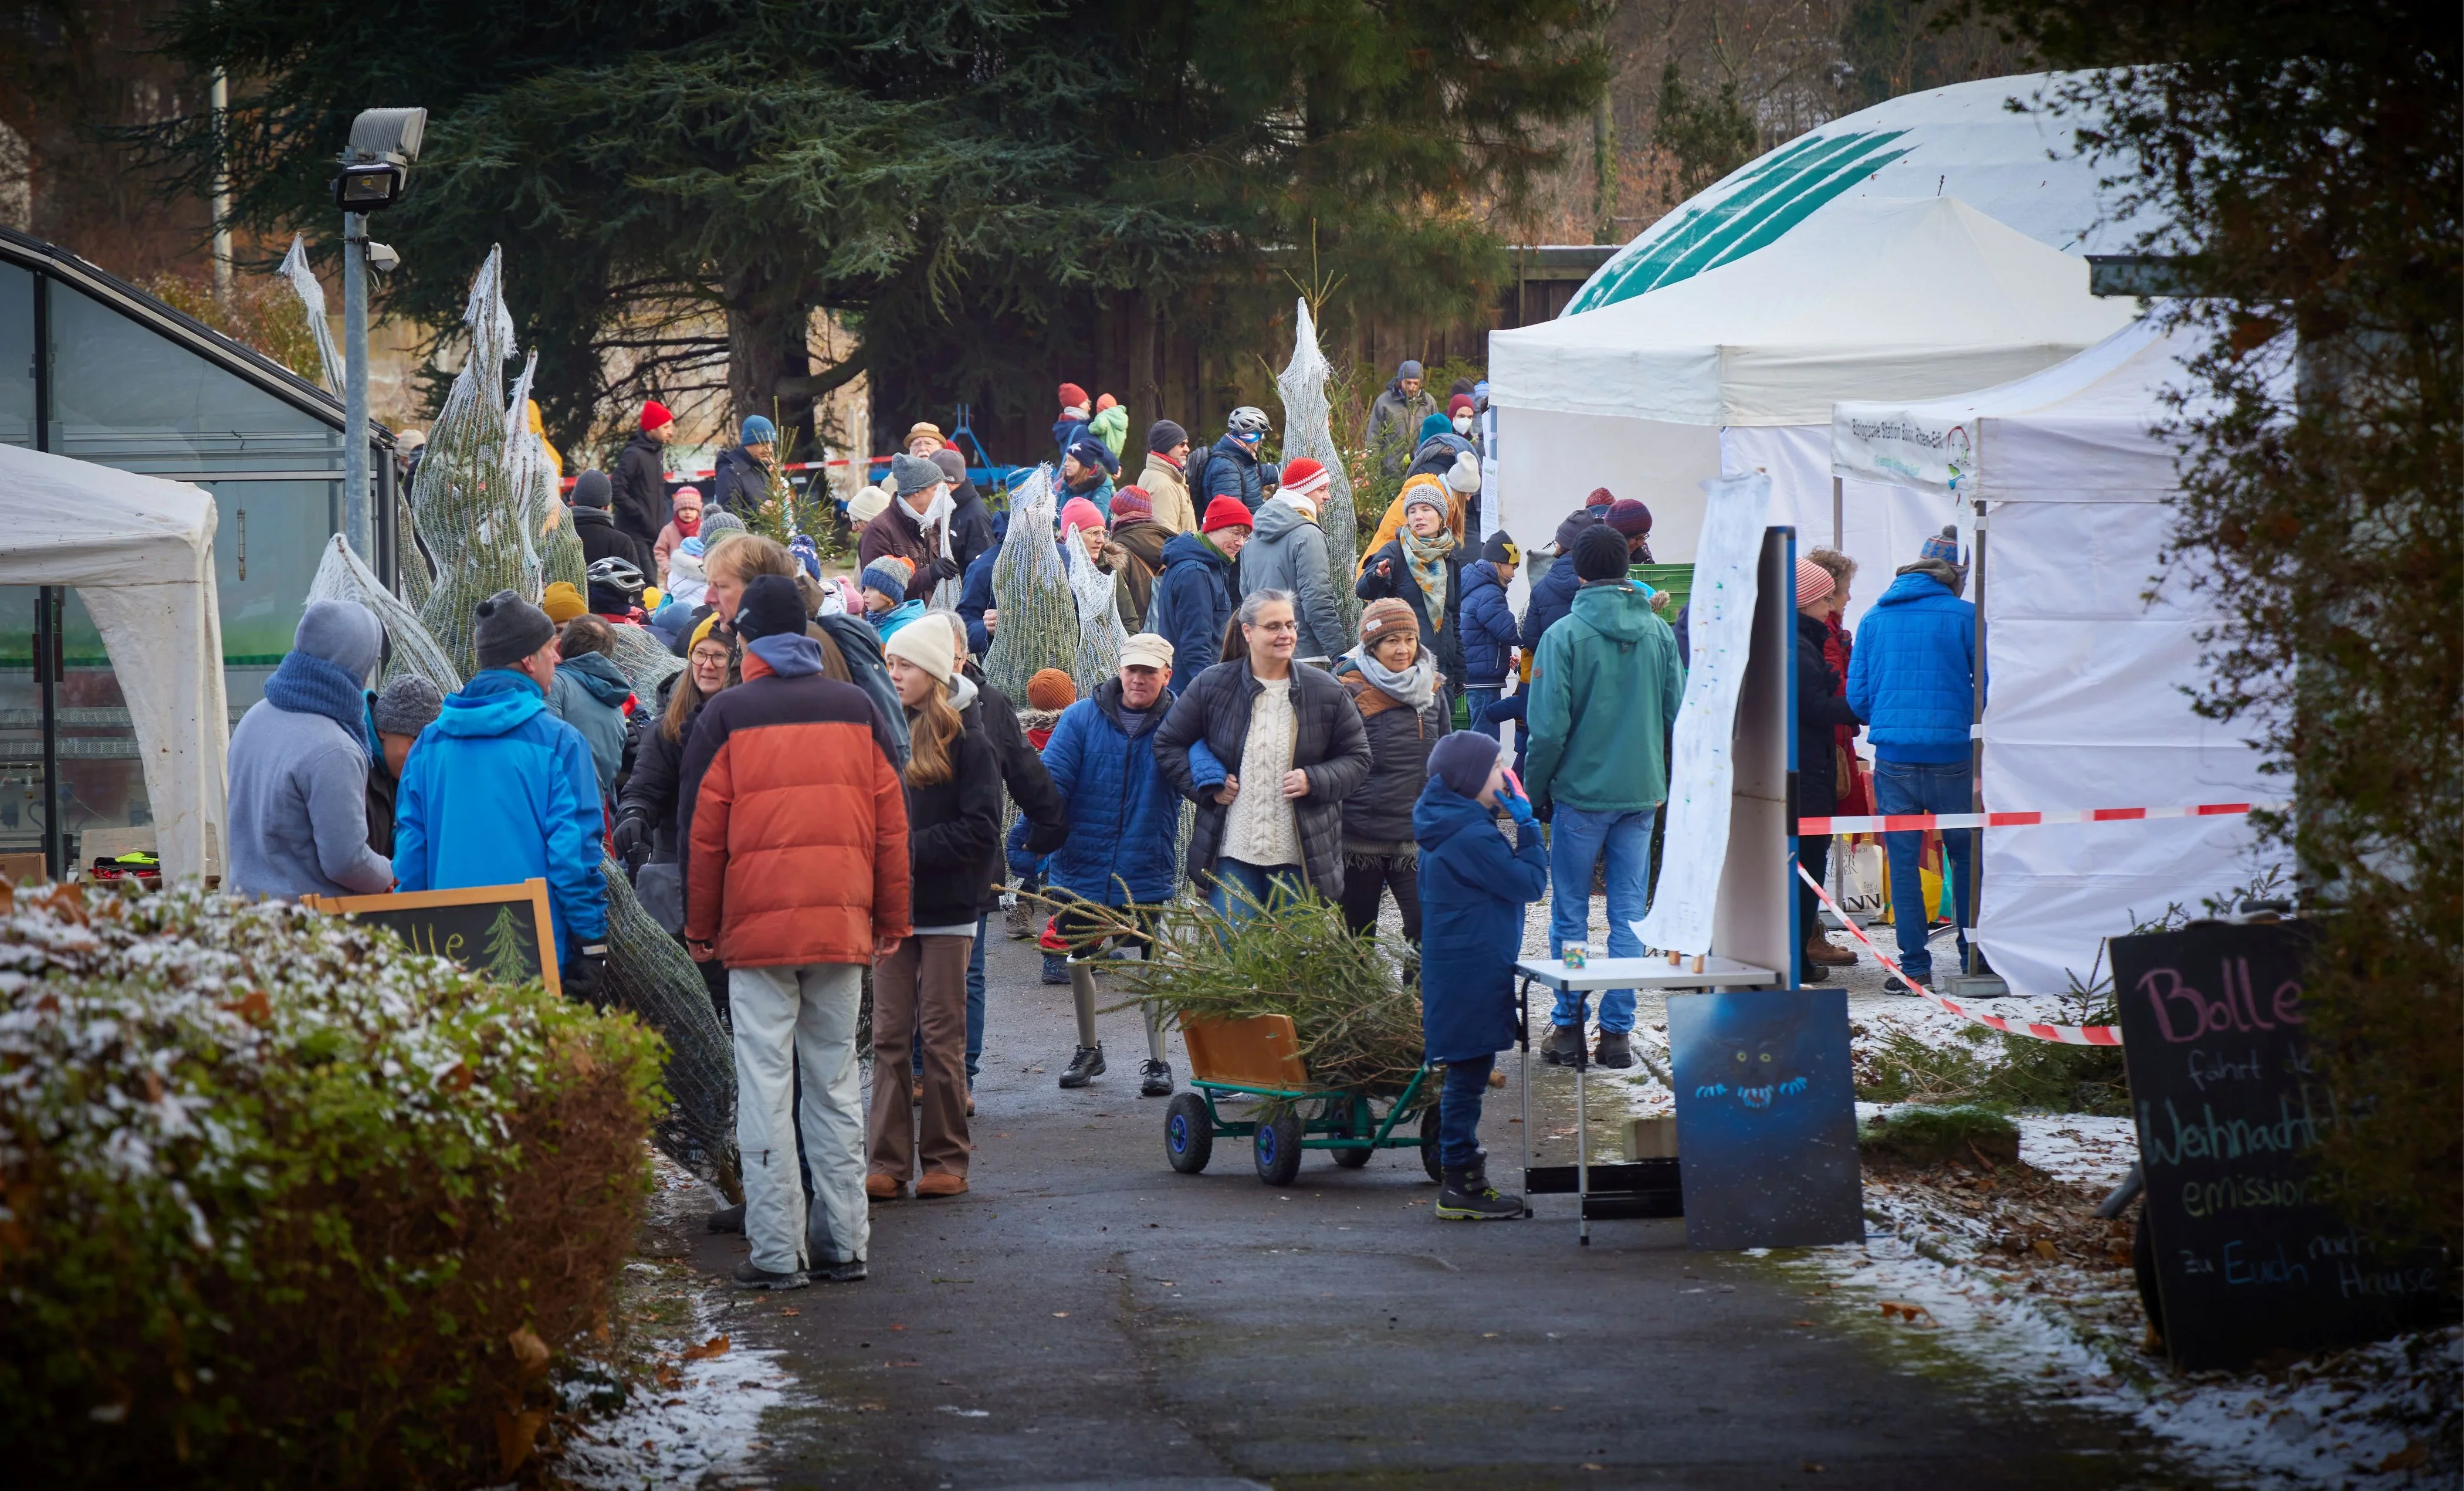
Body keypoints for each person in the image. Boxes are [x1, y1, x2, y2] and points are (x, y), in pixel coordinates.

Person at [679, 574, 907, 1287]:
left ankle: (778, 1252)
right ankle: (844, 1243)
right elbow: (891, 824)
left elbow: (702, 834)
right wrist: (891, 917)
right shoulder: (856, 707)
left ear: (747, 638)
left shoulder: (728, 715)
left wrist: (699, 926)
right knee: (835, 1082)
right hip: (841, 923)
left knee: (766, 1086)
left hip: (756, 934)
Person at [1523, 525, 1683, 1069]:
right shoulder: (1658, 633)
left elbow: (1547, 732)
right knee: (1629, 916)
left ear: (1579, 572)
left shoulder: (1564, 636)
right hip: (1641, 793)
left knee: (1570, 915)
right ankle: (1617, 1032)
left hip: (1580, 795)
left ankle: (1569, 1022)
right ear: (1627, 567)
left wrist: (1534, 792)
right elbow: (1677, 713)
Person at [393, 590, 608, 995]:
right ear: (528, 660)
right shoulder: (559, 742)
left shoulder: (429, 744)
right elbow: (574, 858)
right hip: (534, 952)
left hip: (446, 951)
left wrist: (411, 945)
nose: (557, 658)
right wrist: (591, 942)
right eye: (550, 649)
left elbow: (410, 857)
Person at [868, 612, 998, 1201]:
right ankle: (886, 1161)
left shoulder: (970, 740)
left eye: (905, 665)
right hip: (891, 909)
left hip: (948, 909)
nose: (894, 673)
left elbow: (981, 830)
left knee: (942, 1038)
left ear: (933, 671)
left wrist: (904, 850)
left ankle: (946, 1159)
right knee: (890, 1035)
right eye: (890, 663)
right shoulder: (880, 731)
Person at [1155, 591, 1372, 921]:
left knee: (1289, 954)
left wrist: (1314, 780)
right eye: (1273, 626)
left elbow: (1358, 758)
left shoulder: (1326, 690)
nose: (1286, 634)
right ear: (1248, 632)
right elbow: (1168, 744)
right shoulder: (1213, 685)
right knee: (1235, 949)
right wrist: (1207, 787)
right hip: (1231, 852)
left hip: (1301, 857)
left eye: (1290, 625)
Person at [1038, 635, 1184, 1093]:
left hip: (1145, 863)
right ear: (1120, 671)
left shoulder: (1180, 722)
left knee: (1151, 959)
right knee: (1078, 957)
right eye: (1132, 669)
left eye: (1149, 671)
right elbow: (1052, 782)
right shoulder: (1081, 717)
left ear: (1167, 675)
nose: (1138, 679)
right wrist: (1029, 839)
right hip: (1080, 863)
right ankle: (1089, 1051)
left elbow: (1199, 772)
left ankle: (1159, 1061)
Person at [1414, 730, 1547, 1221]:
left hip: (1460, 967)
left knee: (1466, 1074)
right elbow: (1529, 883)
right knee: (1468, 1078)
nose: (1506, 775)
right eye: (1495, 767)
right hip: (1470, 971)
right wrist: (1529, 827)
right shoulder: (1470, 835)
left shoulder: (1452, 824)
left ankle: (1460, 1175)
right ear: (1470, 778)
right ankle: (1461, 1183)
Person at [1845, 529, 1978, 992]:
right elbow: (1989, 689)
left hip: (1894, 759)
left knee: (1902, 864)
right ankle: (1972, 960)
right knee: (1965, 858)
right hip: (1953, 756)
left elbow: (1858, 701)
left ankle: (1915, 967)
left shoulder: (1873, 618)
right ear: (1955, 576)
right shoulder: (1967, 617)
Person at [226, 600, 397, 899]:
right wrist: (388, 873)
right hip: (306, 919)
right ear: (357, 664)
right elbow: (347, 862)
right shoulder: (334, 749)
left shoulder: (254, 718)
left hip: (246, 910)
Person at [614, 615, 736, 1016]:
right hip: (680, 868)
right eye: (700, 654)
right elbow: (645, 787)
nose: (708, 665)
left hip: (739, 870)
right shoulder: (669, 725)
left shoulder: (747, 721)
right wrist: (634, 814)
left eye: (719, 656)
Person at [1329, 599, 1449, 944]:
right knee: (1356, 939)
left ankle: (1415, 985)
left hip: (1415, 835)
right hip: (1358, 838)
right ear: (1371, 646)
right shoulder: (1347, 690)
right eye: (1392, 641)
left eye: (1410, 640)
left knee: (1427, 932)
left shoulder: (1433, 689)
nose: (1403, 650)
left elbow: (1445, 759)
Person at [1790, 559, 1865, 985]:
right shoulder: (1799, 647)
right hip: (1806, 774)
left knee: (1804, 869)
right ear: (1807, 602)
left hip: (1804, 769)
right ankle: (1797, 958)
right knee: (1807, 870)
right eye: (1826, 599)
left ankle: (1798, 954)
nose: (1833, 605)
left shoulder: (1801, 641)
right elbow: (1814, 708)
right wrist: (1860, 707)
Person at [1354, 479, 1466, 700]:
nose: (1418, 516)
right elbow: (1363, 590)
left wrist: (1460, 673)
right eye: (1412, 511)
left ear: (1441, 517)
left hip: (1441, 670)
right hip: (1404, 669)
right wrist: (1378, 575)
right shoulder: (1395, 551)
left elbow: (1453, 619)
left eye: (1426, 509)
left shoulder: (1449, 559)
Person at [1237, 459, 1348, 667]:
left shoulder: (1253, 535)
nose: (1328, 496)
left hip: (1263, 654)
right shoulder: (1308, 534)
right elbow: (1317, 601)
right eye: (1321, 489)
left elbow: (1246, 596)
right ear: (1303, 492)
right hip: (1305, 656)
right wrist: (1339, 654)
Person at [1144, 497, 1250, 675]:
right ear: (1213, 528)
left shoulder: (1208, 564)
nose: (1240, 542)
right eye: (1236, 533)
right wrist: (1209, 688)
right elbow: (1196, 647)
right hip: (1194, 682)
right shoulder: (1196, 573)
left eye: (1245, 537)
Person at [544, 614, 636, 798]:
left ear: (559, 647)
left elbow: (544, 747)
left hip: (559, 806)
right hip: (595, 809)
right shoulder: (616, 702)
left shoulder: (553, 684)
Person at [859, 452, 959, 604]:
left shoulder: (935, 523)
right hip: (894, 618)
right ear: (916, 492)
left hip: (928, 615)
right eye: (936, 490)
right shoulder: (879, 530)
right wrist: (929, 574)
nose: (943, 496)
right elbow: (877, 590)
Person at [1357, 448, 1478, 570]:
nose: (1469, 499)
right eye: (1469, 494)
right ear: (1460, 491)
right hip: (1383, 567)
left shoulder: (1438, 493)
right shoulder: (1431, 498)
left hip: (1385, 563)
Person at [364, 674, 444, 858]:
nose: (421, 760)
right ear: (383, 729)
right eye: (415, 742)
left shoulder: (394, 770)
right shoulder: (354, 770)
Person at [1460, 533, 1521, 739]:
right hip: (1484, 681)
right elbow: (1508, 631)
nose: (1513, 574)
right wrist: (1533, 634)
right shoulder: (1489, 592)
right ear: (1500, 563)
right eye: (1513, 567)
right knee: (1485, 741)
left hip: (1474, 677)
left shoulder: (1474, 587)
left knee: (1477, 737)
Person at [614, 400, 675, 560]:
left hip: (653, 534)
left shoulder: (657, 452)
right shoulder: (633, 454)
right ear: (652, 428)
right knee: (645, 576)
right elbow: (616, 490)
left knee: (652, 576)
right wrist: (639, 514)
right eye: (666, 427)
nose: (671, 432)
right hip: (635, 534)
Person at [1106, 486, 1169, 631]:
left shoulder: (1119, 549)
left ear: (1122, 516)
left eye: (1113, 513)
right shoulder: (1165, 541)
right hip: (1164, 632)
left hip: (1132, 633)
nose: (1112, 518)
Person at [571, 469, 654, 574]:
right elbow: (634, 583)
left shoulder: (558, 538)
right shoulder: (622, 542)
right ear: (606, 507)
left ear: (573, 503)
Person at [930, 448, 997, 576]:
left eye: (931, 483)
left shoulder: (976, 517)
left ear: (946, 483)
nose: (927, 488)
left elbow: (984, 570)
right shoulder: (946, 506)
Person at [1193, 406, 1274, 512]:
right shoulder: (1227, 468)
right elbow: (1231, 515)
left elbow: (1253, 474)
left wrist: (1286, 467)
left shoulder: (1239, 457)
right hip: (1248, 523)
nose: (1262, 443)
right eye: (1261, 438)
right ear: (1250, 438)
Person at [1365, 359, 1436, 477]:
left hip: (1420, 473)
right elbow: (1374, 438)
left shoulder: (1429, 403)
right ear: (1400, 381)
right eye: (1408, 383)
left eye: (1416, 383)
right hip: (1390, 474)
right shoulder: (1384, 402)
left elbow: (1435, 438)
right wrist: (1374, 473)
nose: (1412, 387)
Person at [707, 414, 777, 515]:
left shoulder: (763, 467)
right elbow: (726, 516)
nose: (769, 450)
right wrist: (757, 511)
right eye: (763, 444)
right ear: (748, 442)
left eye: (771, 444)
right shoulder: (730, 472)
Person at [1136, 419, 1196, 534]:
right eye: (1182, 444)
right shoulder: (1163, 486)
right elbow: (1165, 538)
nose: (1187, 449)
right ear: (1166, 446)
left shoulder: (1162, 475)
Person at [859, 554, 925, 640]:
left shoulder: (907, 627)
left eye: (871, 589)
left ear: (890, 592)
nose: (864, 594)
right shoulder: (870, 625)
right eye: (865, 589)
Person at [1059, 433, 1118, 515]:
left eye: (1071, 460)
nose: (1065, 464)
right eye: (1066, 459)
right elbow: (1056, 516)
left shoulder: (1101, 492)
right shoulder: (1067, 483)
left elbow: (1096, 522)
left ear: (1084, 465)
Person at [654, 485, 706, 575]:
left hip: (700, 575)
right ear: (677, 510)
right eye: (684, 509)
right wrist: (668, 570)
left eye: (692, 509)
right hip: (675, 576)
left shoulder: (704, 528)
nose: (688, 512)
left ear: (698, 510)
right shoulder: (668, 530)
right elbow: (660, 551)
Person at [1052, 384, 1092, 458]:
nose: (1089, 408)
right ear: (1080, 404)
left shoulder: (1065, 426)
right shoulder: (1080, 429)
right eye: (1088, 402)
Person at [1088, 392, 1128, 461]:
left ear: (1100, 408)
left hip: (1102, 458)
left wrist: (1090, 426)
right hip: (1115, 458)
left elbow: (1101, 426)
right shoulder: (1121, 418)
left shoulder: (1102, 415)